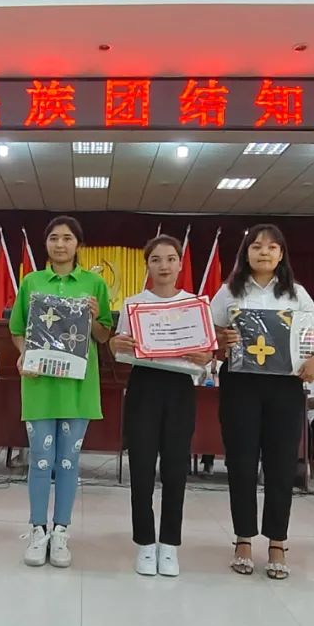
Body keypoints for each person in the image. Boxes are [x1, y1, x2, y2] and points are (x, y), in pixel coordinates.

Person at [211, 224, 314, 580]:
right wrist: (221, 342)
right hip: (240, 385)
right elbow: (210, 337)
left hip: (285, 387)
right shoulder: (229, 291)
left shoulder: (297, 293)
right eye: (257, 246)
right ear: (245, 253)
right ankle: (243, 538)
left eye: (272, 247)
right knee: (241, 463)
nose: (264, 252)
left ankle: (277, 541)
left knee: (281, 464)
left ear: (281, 254)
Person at [11, 215, 112, 568]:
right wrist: (24, 354)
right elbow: (17, 329)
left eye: (67, 238)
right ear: (46, 244)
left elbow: (104, 335)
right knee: (40, 459)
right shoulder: (32, 282)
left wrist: (96, 317)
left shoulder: (94, 284)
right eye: (54, 238)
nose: (60, 244)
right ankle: (38, 529)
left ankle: (61, 531)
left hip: (78, 386)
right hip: (40, 383)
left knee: (68, 461)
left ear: (78, 245)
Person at [110, 235, 212, 577]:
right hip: (144, 386)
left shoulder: (195, 305)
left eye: (170, 259)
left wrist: (206, 355)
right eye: (156, 259)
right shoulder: (133, 304)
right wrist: (117, 343)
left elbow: (207, 354)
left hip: (180, 388)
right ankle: (144, 542)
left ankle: (169, 545)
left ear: (180, 264)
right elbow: (119, 348)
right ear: (148, 266)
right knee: (141, 467)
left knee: (175, 469)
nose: (164, 266)